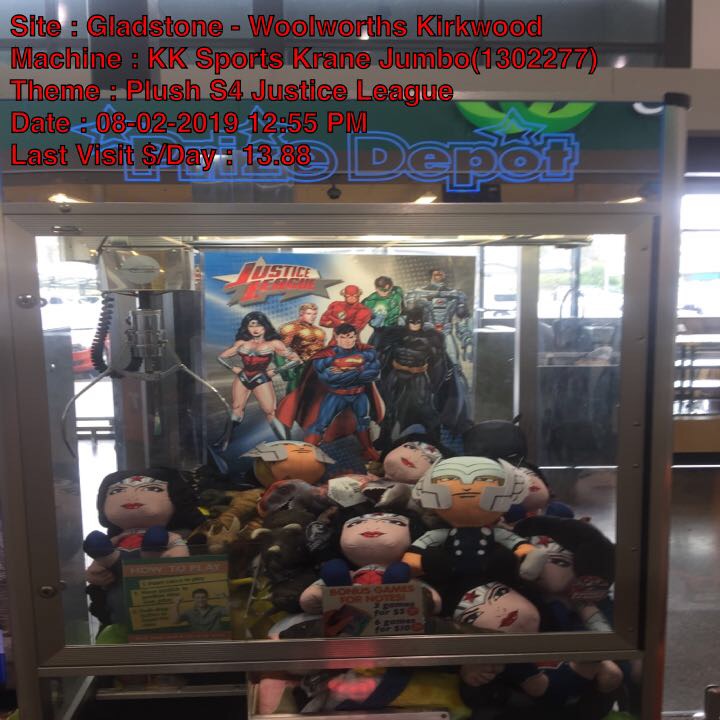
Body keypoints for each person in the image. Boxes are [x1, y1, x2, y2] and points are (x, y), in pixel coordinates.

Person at [277, 324, 384, 460]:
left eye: (351, 337)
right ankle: (306, 454)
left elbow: (373, 373)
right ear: (336, 337)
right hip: (336, 395)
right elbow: (331, 379)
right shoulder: (325, 355)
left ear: (355, 337)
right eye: (343, 337)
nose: (348, 341)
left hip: (359, 395)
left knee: (363, 422)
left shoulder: (367, 352)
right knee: (320, 424)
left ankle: (368, 449)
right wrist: (359, 369)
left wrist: (344, 369)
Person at [217, 311, 301, 438]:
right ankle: (224, 440)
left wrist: (275, 371)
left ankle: (286, 442)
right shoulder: (241, 343)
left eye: (259, 325)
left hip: (261, 379)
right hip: (243, 378)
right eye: (251, 326)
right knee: (237, 408)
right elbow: (221, 357)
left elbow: (296, 360)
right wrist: (234, 368)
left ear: (265, 326)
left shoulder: (274, 343)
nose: (255, 329)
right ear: (247, 327)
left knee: (270, 412)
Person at [278, 303, 327, 391]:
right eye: (309, 313)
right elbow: (279, 350)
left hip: (319, 369)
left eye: (314, 314)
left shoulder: (320, 331)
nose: (312, 317)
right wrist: (285, 371)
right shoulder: (291, 328)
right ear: (301, 313)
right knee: (295, 396)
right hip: (301, 369)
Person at [361, 276, 404, 345]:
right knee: (374, 347)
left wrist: (403, 314)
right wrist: (373, 323)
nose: (385, 292)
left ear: (391, 287)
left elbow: (402, 303)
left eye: (387, 290)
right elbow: (361, 316)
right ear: (376, 288)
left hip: (398, 325)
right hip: (382, 329)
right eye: (381, 290)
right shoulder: (369, 301)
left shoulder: (398, 291)